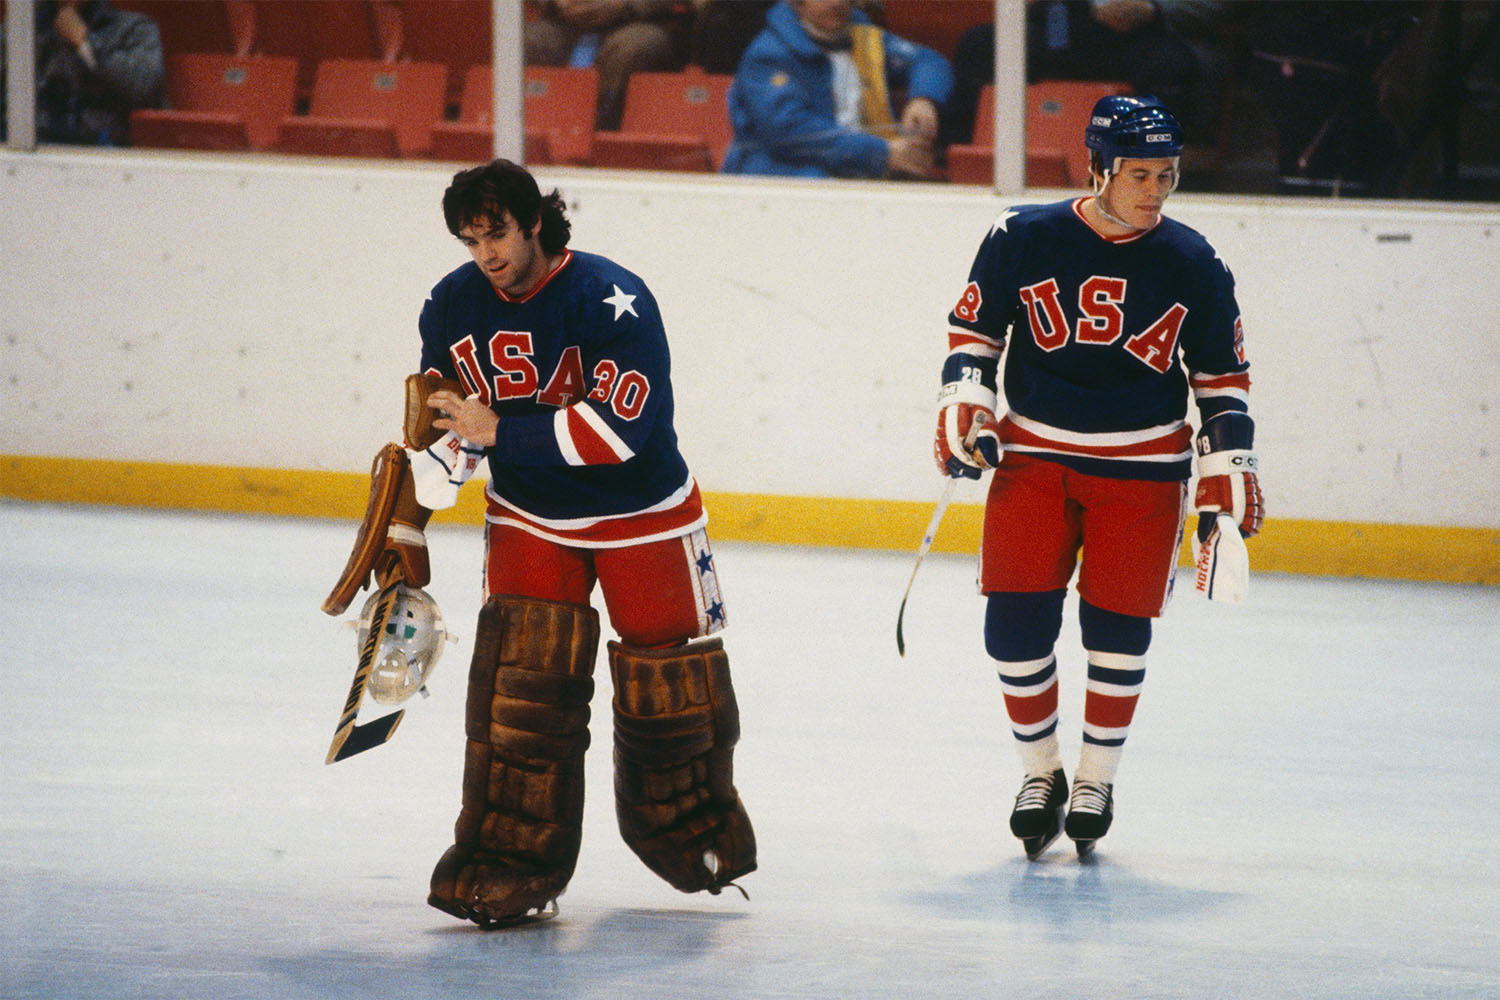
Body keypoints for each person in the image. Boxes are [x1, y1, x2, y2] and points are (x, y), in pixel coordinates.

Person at [326, 159, 756, 926]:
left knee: (670, 691)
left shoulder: (609, 299)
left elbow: (620, 433)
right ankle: (508, 857)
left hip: (642, 513)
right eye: (470, 239)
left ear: (534, 222)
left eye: (496, 234)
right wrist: (419, 499)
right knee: (522, 692)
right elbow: (457, 426)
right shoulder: (453, 304)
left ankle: (691, 830)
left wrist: (501, 432)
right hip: (529, 515)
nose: (485, 254)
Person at [933, 96, 1263, 859]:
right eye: (1140, 173)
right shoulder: (1023, 235)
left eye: (1168, 174)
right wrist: (966, 404)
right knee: (1013, 626)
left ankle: (1096, 778)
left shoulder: (1195, 261)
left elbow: (1223, 378)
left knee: (1116, 627)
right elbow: (975, 332)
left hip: (1143, 471)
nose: (1155, 190)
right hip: (1035, 459)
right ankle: (1040, 772)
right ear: (1098, 168)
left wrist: (1228, 465)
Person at [721, 0, 954, 179]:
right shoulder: (768, 55)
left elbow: (928, 60)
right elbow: (790, 132)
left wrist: (923, 99)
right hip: (781, 176)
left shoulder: (864, 38)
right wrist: (881, 153)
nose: (836, 3)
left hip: (860, 166)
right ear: (798, 4)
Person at [0, 1, 165, 146]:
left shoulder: (133, 28)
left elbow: (143, 87)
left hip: (101, 151)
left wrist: (85, 42)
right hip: (32, 148)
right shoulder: (24, 28)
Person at [525, 0, 693, 131]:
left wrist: (624, 5)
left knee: (631, 48)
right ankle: (535, 140)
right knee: (526, 42)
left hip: (642, 19)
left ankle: (603, 137)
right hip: (567, 20)